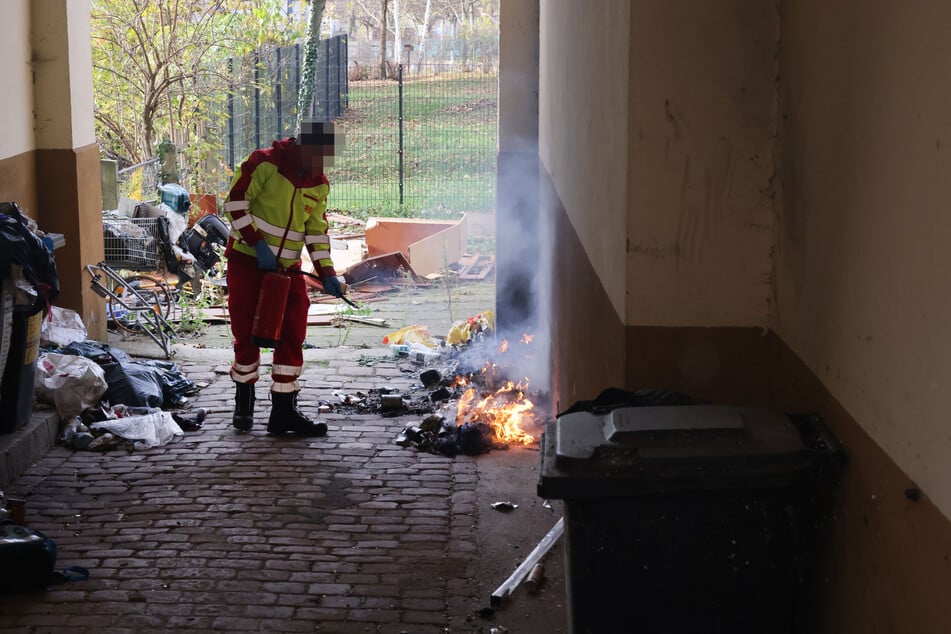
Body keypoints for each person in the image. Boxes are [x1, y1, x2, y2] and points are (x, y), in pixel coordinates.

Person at [222, 120, 344, 435]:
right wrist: (258, 245)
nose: (321, 165)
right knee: (247, 333)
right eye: (318, 156)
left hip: (287, 272)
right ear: (302, 147)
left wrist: (327, 273)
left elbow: (316, 230)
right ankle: (243, 404)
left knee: (292, 334)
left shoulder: (319, 183)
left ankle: (283, 412)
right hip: (249, 263)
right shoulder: (264, 162)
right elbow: (235, 203)